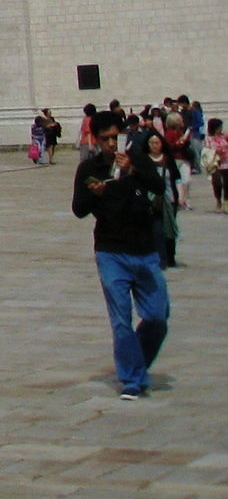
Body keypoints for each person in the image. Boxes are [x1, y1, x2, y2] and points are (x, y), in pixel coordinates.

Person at [73, 112, 170, 398]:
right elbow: (79, 209)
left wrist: (134, 171)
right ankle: (131, 379)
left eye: (116, 138)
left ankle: (136, 362)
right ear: (96, 139)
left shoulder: (137, 161)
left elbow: (160, 187)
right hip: (110, 251)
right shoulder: (89, 169)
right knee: (121, 319)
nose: (111, 144)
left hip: (144, 250)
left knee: (156, 317)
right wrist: (96, 194)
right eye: (106, 139)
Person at [204, 119, 227, 213]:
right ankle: (218, 201)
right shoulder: (209, 139)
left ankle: (226, 202)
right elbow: (207, 151)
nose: (220, 129)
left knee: (227, 183)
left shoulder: (224, 137)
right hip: (215, 163)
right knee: (217, 183)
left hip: (226, 162)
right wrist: (216, 151)